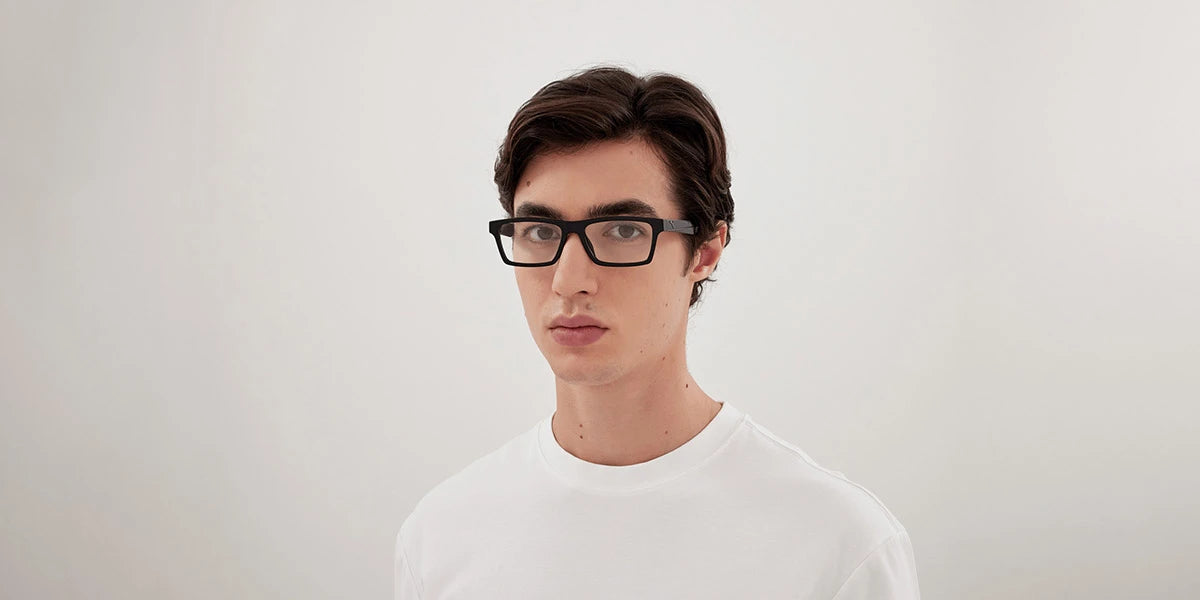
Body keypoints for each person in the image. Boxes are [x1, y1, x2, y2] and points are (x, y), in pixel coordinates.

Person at [394, 65, 921, 599]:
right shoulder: (441, 537)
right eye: (539, 231)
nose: (568, 280)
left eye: (623, 230)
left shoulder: (839, 547)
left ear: (705, 252)